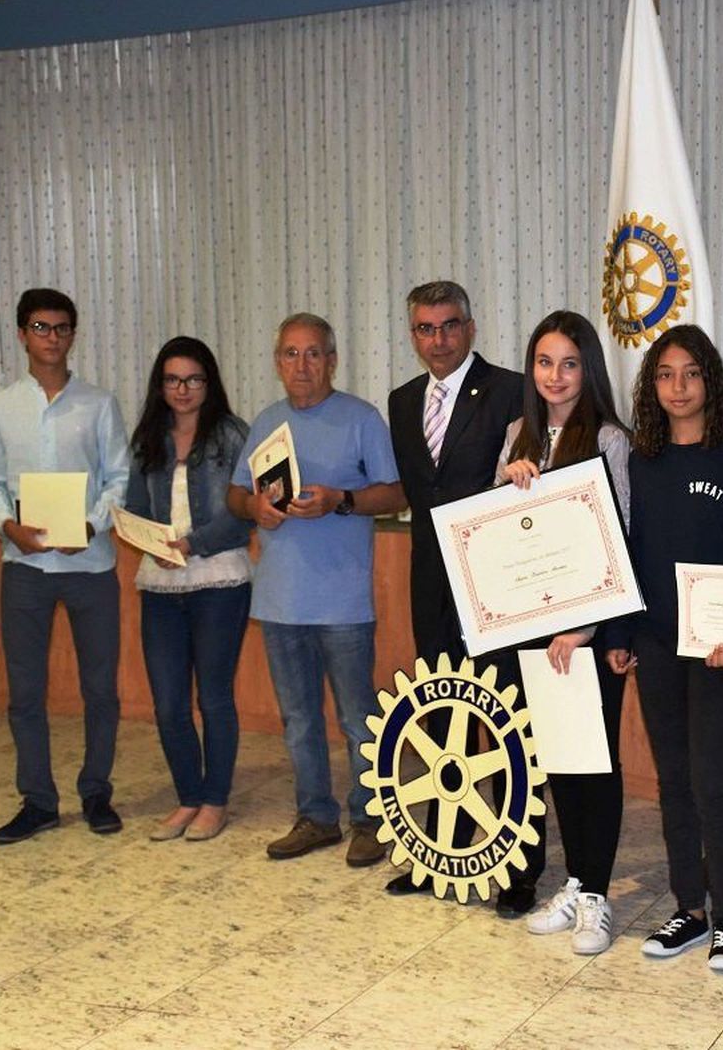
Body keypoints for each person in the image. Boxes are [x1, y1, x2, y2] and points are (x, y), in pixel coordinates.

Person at [606, 324, 723, 973]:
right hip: (656, 641)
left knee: (710, 780)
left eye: (691, 373)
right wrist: (621, 635)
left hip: (721, 648)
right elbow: (628, 552)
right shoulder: (642, 459)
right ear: (652, 386)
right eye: (666, 375)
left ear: (712, 381)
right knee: (673, 780)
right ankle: (690, 910)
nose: (678, 387)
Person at [385, 280, 546, 915]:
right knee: (438, 721)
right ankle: (440, 854)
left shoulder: (511, 390)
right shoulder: (401, 402)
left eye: (450, 326)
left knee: (506, 725)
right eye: (425, 328)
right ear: (413, 335)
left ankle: (519, 868)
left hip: (496, 585)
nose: (439, 339)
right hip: (430, 582)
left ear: (470, 329)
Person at [226, 313, 405, 865]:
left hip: (343, 603)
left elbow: (395, 493)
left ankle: (371, 819)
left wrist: (340, 500)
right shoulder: (265, 422)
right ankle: (315, 817)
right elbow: (236, 496)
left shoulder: (362, 419)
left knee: (357, 719)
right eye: (290, 354)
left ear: (331, 360)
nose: (301, 365)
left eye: (313, 354)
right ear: (277, 362)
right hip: (279, 601)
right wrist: (253, 507)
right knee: (299, 719)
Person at [0, 287, 130, 844]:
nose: (52, 338)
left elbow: (118, 479)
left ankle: (96, 791)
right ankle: (37, 801)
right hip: (24, 567)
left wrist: (88, 524)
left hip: (90, 565)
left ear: (73, 335)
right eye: (41, 327)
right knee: (25, 693)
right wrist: (6, 525)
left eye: (62, 328)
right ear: (22, 334)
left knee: (101, 690)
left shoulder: (99, 403)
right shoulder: (0, 406)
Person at [496, 310, 631, 955]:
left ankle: (598, 895)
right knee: (553, 763)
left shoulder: (609, 439)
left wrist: (584, 631)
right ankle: (576, 883)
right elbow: (496, 533)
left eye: (569, 364)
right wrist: (505, 485)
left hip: (587, 638)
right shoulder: (516, 433)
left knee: (592, 764)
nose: (556, 376)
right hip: (530, 633)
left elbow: (621, 542)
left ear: (589, 370)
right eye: (545, 363)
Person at [123, 336, 252, 842]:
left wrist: (191, 543)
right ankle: (188, 797)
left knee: (215, 697)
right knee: (168, 702)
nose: (183, 389)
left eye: (193, 379)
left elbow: (241, 515)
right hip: (160, 584)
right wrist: (148, 540)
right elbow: (133, 505)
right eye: (173, 380)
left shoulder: (232, 436)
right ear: (161, 384)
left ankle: (215, 801)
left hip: (219, 578)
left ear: (208, 383)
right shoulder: (147, 438)